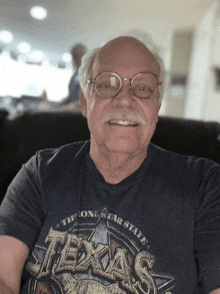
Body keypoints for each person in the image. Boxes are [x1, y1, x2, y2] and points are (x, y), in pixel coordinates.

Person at [0, 33, 220, 294]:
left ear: (157, 106)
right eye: (106, 84)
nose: (125, 99)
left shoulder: (204, 184)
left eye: (142, 88)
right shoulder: (40, 172)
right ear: (84, 102)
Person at [67, 43, 87, 107]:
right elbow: (71, 95)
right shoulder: (76, 74)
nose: (75, 61)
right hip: (73, 109)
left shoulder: (90, 73)